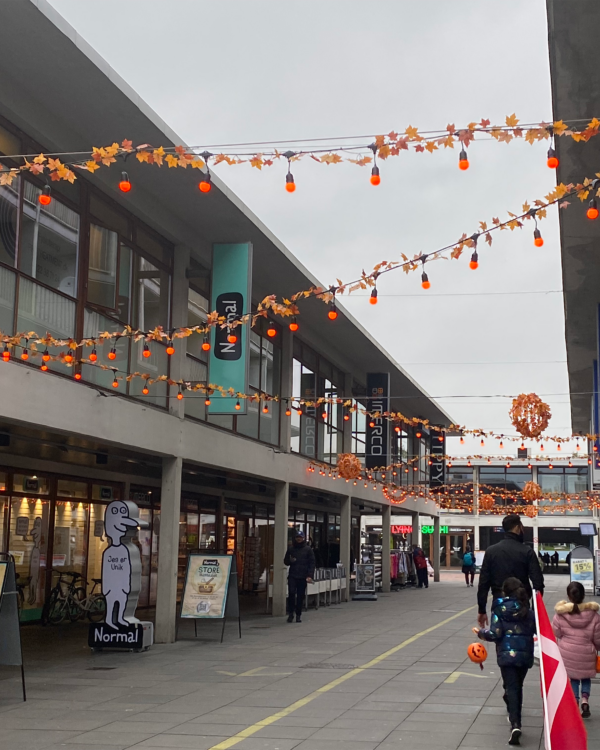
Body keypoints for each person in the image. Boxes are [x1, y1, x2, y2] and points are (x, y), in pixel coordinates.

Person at [473, 577, 536, 746]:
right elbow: (535, 630)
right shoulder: (528, 610)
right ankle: (513, 712)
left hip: (507, 656)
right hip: (524, 655)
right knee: (517, 686)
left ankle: (516, 724)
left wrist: (481, 633)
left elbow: (495, 634)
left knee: (512, 687)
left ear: (505, 591)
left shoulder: (499, 609)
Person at [477, 513, 544, 629]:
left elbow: (483, 583)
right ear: (518, 527)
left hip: (499, 603)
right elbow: (538, 583)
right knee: (523, 639)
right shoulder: (527, 551)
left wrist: (482, 609)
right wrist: (535, 610)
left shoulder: (491, 551)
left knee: (500, 639)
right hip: (522, 605)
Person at [552, 581, 600, 718]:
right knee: (585, 677)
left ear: (568, 596)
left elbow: (557, 633)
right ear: (583, 595)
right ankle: (585, 699)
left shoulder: (561, 615)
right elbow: (597, 638)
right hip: (586, 652)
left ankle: (575, 702)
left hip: (567, 652)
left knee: (573, 678)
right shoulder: (594, 616)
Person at [284, 531, 315, 623]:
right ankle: (290, 614)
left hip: (303, 576)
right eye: (297, 537)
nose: (298, 539)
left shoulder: (308, 550)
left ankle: (298, 614)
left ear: (303, 538)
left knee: (300, 596)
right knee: (291, 594)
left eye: (300, 537)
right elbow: (285, 561)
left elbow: (312, 563)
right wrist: (290, 560)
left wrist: (310, 575)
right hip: (293, 575)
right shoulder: (291, 549)